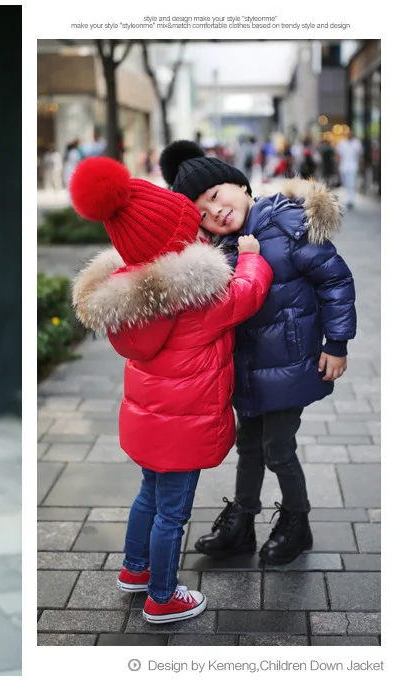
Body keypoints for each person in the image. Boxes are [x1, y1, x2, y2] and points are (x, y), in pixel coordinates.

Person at [69, 157, 273, 623]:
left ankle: (135, 569)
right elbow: (247, 293)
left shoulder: (131, 292)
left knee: (148, 496)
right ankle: (163, 596)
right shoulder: (199, 294)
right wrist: (251, 257)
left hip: (147, 425)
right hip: (185, 427)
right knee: (173, 515)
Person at [159, 140, 356, 566]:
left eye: (215, 197)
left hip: (291, 362)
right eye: (203, 214)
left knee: (278, 448)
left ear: (239, 184)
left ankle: (297, 523)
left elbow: (335, 282)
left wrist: (337, 344)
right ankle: (242, 522)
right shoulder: (219, 250)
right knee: (248, 446)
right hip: (246, 368)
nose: (216, 212)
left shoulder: (288, 224)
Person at [335, 130, 364, 209]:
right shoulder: (342, 143)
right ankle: (347, 198)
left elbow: (360, 155)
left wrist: (361, 167)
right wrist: (337, 165)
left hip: (353, 166)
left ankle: (350, 201)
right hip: (343, 166)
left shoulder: (357, 143)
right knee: (346, 183)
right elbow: (338, 155)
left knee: (351, 184)